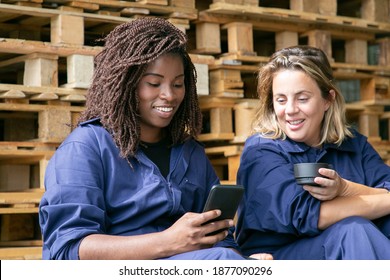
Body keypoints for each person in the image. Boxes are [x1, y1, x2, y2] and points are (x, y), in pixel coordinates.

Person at [38, 17, 272, 260]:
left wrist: (241, 260)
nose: (169, 95)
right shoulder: (85, 148)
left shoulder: (189, 152)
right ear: (126, 83)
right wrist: (168, 242)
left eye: (178, 84)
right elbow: (66, 251)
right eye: (154, 83)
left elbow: (219, 234)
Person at [236, 45, 390, 259]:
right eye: (281, 99)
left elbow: (387, 185)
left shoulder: (353, 145)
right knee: (354, 230)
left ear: (328, 99)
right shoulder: (262, 150)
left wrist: (345, 188)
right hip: (281, 258)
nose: (289, 110)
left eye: (302, 98)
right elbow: (307, 214)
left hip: (352, 253)